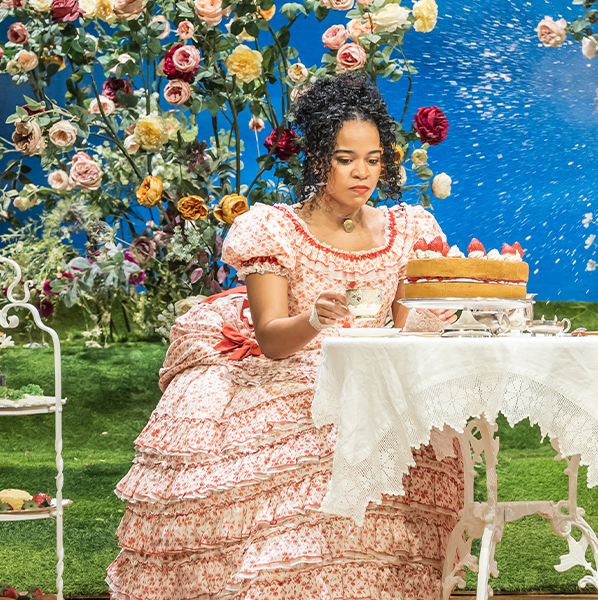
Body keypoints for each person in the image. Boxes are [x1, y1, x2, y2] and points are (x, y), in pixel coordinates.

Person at [106, 72, 462, 600]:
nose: (362, 172)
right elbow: (271, 340)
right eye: (346, 159)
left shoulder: (410, 229)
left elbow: (408, 331)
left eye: (373, 158)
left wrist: (446, 299)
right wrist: (316, 318)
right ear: (319, 158)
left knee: (401, 447)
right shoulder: (273, 228)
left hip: (380, 377)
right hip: (296, 375)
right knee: (321, 456)